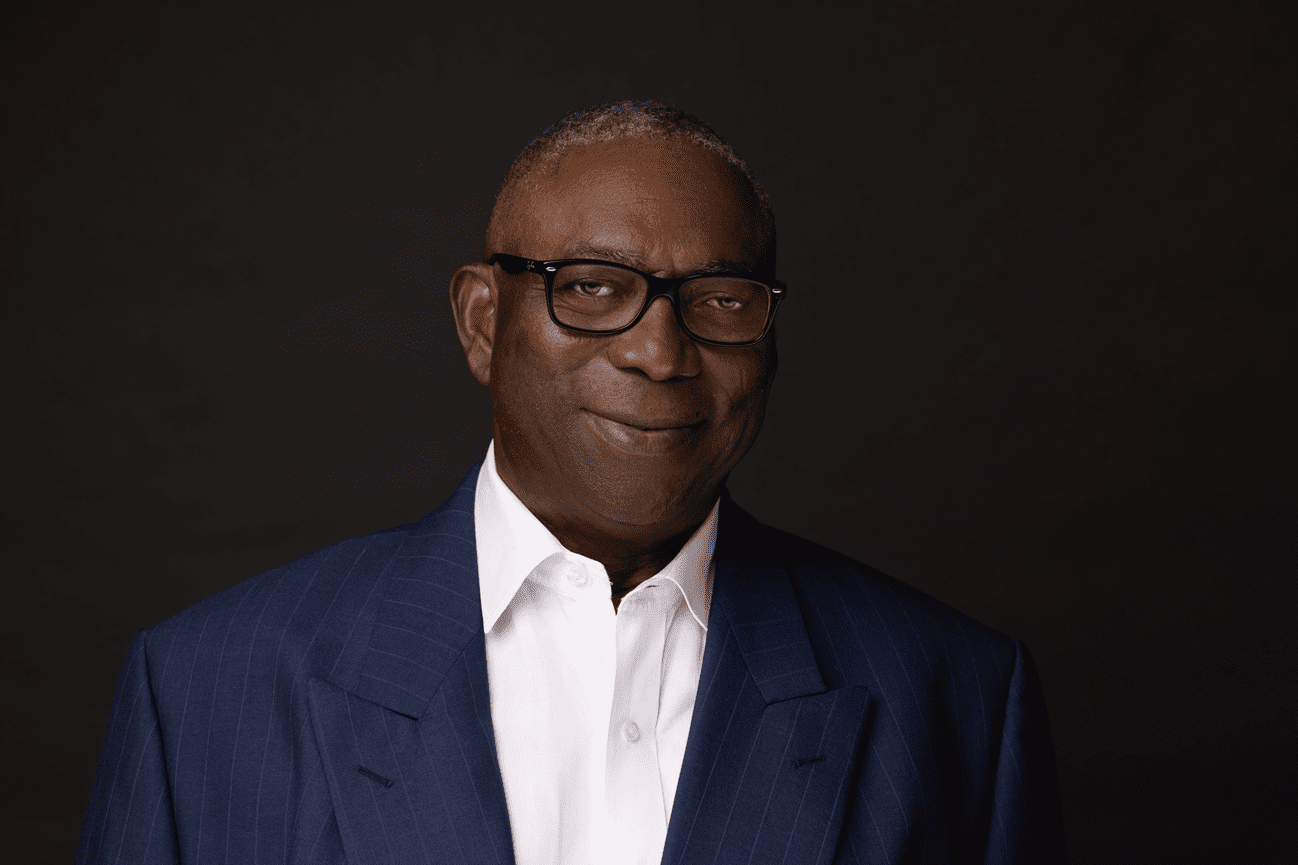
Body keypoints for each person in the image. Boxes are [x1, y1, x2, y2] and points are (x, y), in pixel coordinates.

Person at [77, 100, 1065, 865]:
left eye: (720, 299)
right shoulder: (202, 691)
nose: (658, 351)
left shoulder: (956, 699)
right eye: (591, 287)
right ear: (481, 322)